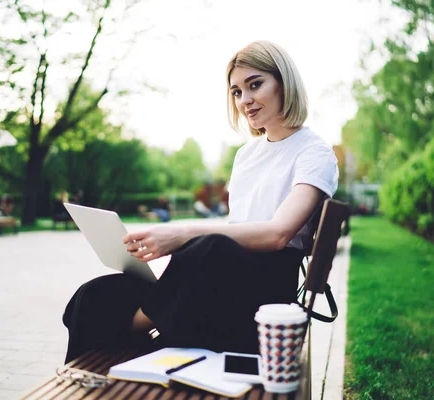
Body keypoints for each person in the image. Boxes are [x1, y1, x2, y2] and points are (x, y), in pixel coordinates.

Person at [62, 40, 339, 363]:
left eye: (255, 85)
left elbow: (279, 234)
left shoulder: (314, 152)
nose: (245, 100)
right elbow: (239, 228)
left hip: (263, 297)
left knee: (210, 247)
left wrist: (182, 234)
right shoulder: (247, 154)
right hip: (221, 278)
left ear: (284, 83)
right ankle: (84, 379)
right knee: (94, 296)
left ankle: (138, 330)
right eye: (236, 92)